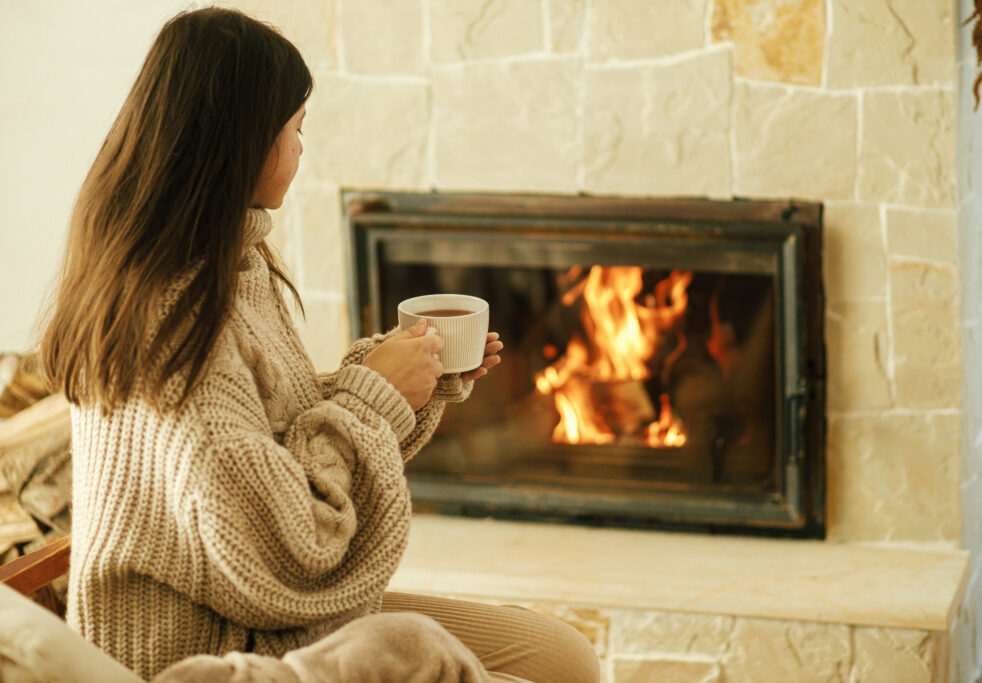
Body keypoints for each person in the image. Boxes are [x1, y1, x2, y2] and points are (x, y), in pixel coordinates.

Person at [37, 7, 599, 683]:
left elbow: (277, 441)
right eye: (295, 128)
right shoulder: (173, 326)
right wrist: (377, 394)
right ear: (242, 143)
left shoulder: (226, 265)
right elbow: (287, 549)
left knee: (565, 655)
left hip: (271, 620)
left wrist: (402, 379)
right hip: (215, 648)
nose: (303, 147)